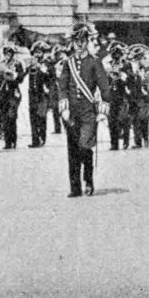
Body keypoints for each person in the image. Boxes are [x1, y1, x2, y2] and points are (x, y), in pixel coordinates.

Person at [58, 23, 109, 197]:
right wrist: (64, 107)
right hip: (72, 113)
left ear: (87, 41)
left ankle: (88, 181)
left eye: (82, 40)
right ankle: (75, 187)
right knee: (73, 150)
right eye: (76, 40)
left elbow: (104, 87)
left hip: (88, 112)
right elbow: (63, 87)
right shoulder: (68, 63)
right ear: (72, 42)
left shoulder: (94, 62)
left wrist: (102, 111)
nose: (79, 44)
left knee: (85, 147)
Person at [0, 43, 24, 150]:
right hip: (3, 93)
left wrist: (14, 75)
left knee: (12, 116)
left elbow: (21, 78)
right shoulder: (1, 64)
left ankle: (13, 141)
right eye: (6, 53)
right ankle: (7, 142)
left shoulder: (17, 64)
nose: (8, 55)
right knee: (4, 118)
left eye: (10, 53)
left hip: (13, 92)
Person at [27, 41, 51, 148]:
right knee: (32, 117)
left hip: (42, 94)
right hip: (32, 93)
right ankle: (35, 140)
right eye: (35, 52)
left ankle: (42, 138)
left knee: (41, 117)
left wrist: (40, 67)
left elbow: (50, 76)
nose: (37, 54)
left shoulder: (47, 63)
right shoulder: (32, 63)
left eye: (39, 52)